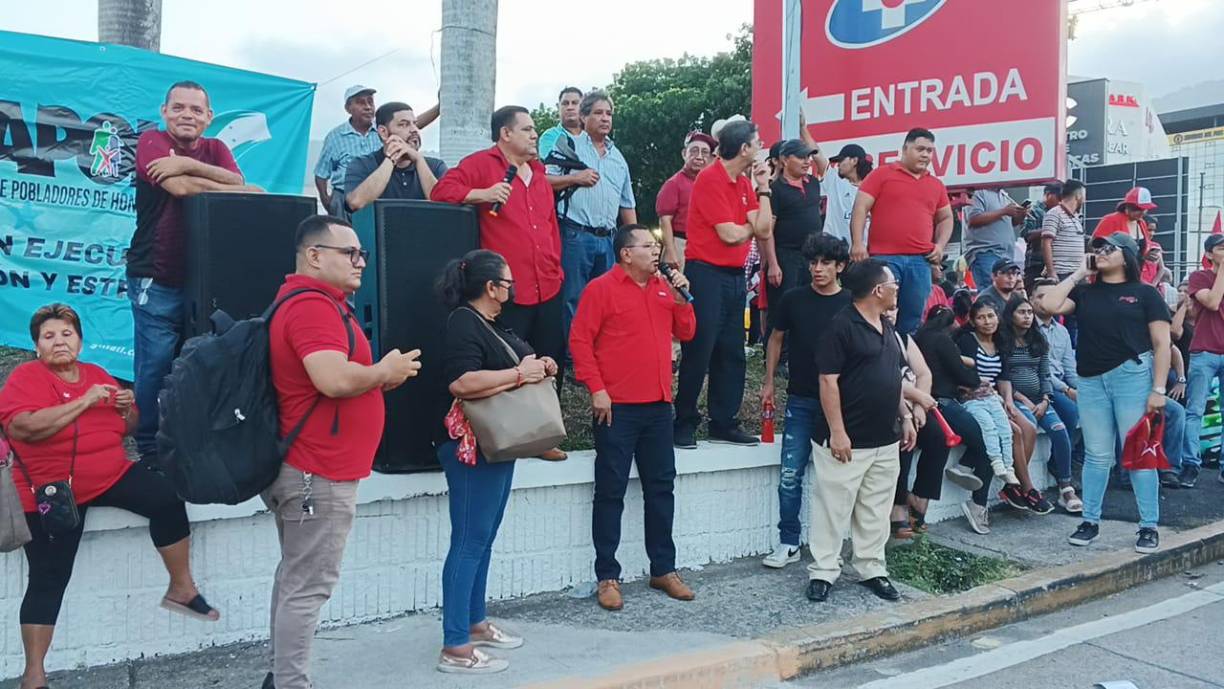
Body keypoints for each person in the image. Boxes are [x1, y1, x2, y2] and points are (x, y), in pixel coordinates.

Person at [0, 304, 219, 689]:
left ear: (80, 341)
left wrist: (125, 408)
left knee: (167, 497)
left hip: (108, 475)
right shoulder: (26, 378)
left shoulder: (97, 374)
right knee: (50, 576)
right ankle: (33, 674)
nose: (59, 342)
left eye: (66, 334)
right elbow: (24, 428)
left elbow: (127, 429)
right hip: (50, 491)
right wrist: (84, 401)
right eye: (49, 337)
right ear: (36, 347)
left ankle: (181, 588)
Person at [262, 216, 421, 689]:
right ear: (314, 256)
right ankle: (290, 683)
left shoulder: (321, 304)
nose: (360, 263)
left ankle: (280, 677)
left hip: (314, 466)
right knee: (308, 587)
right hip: (318, 472)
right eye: (349, 253)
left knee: (296, 579)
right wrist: (383, 370)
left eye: (362, 255)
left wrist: (377, 376)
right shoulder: (312, 307)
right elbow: (331, 378)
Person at [434, 249, 557, 674]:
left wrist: (540, 365)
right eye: (507, 282)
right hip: (471, 448)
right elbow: (462, 381)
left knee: (482, 539)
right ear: (490, 287)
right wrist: (521, 374)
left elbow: (515, 364)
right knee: (469, 542)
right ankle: (455, 646)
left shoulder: (489, 325)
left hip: (497, 446)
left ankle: (475, 622)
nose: (511, 289)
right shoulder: (463, 323)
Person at [127, 80, 257, 465]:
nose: (187, 115)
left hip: (204, 280)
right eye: (179, 108)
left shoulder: (217, 148)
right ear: (164, 111)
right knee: (156, 365)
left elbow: (244, 187)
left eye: (196, 110)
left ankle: (188, 441)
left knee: (200, 362)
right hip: (157, 275)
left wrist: (183, 163)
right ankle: (150, 447)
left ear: (209, 117)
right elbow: (183, 190)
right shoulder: (151, 141)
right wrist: (210, 179)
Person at [570, 225, 697, 611]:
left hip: (658, 406)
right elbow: (579, 341)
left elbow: (687, 332)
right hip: (617, 407)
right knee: (610, 491)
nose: (655, 251)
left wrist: (681, 297)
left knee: (662, 489)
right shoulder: (601, 289)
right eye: (648, 245)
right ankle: (607, 575)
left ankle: (664, 568)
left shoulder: (663, 288)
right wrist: (596, 388)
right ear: (626, 253)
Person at [431, 107, 568, 438]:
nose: (535, 135)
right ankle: (507, 433)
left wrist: (556, 264)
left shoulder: (538, 173)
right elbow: (440, 192)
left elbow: (549, 227)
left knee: (551, 361)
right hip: (506, 289)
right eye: (528, 129)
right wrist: (482, 194)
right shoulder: (481, 165)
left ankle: (545, 432)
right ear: (506, 134)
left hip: (548, 283)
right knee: (507, 364)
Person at [1036, 232, 1171, 554]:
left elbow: (1163, 343)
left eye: (1109, 248)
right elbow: (1048, 304)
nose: (1101, 252)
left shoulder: (1144, 294)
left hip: (1132, 376)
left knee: (1137, 453)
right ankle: (1090, 520)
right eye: (1098, 248)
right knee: (1097, 456)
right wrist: (1079, 273)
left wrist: (1159, 388)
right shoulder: (1085, 292)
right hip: (1090, 380)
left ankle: (1149, 525)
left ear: (1127, 255)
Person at [805, 259, 914, 603]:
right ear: (878, 290)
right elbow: (828, 381)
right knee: (832, 508)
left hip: (884, 438)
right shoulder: (841, 326)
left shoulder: (886, 327)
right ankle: (823, 570)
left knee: (875, 509)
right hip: (846, 439)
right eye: (893, 283)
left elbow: (894, 377)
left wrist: (906, 417)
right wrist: (838, 432)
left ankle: (871, 567)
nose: (898, 288)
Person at [673, 119, 773, 449]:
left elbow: (764, 228)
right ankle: (684, 421)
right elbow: (730, 234)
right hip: (706, 273)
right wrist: (749, 228)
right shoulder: (710, 178)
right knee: (700, 348)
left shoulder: (745, 183)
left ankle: (723, 422)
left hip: (734, 277)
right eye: (757, 142)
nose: (761, 148)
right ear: (744, 148)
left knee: (732, 352)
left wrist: (763, 187)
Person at [759, 233, 851, 568]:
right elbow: (775, 339)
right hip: (800, 399)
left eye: (826, 262)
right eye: (813, 262)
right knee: (789, 474)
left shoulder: (852, 303)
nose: (818, 269)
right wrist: (768, 382)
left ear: (840, 266)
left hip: (842, 405)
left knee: (837, 480)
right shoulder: (794, 299)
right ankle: (789, 541)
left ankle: (833, 545)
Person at [550, 91, 638, 337]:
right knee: (573, 299)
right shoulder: (569, 146)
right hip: (575, 235)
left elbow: (627, 204)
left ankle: (598, 355)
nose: (604, 118)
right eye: (598, 113)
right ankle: (572, 361)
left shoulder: (618, 158)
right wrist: (573, 177)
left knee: (604, 300)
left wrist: (637, 243)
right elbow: (542, 181)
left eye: (608, 113)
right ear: (583, 116)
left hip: (608, 239)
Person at [850, 128, 954, 335]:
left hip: (920, 261)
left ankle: (904, 363)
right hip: (884, 258)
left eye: (930, 151)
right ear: (905, 149)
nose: (926, 155)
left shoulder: (936, 184)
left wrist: (940, 246)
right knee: (878, 313)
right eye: (920, 149)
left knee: (912, 318)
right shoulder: (881, 174)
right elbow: (860, 207)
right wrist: (857, 243)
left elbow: (946, 218)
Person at [913, 307, 994, 535]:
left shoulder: (917, 338)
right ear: (949, 325)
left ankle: (964, 465)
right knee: (987, 443)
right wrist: (976, 378)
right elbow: (960, 373)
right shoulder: (943, 340)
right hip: (944, 404)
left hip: (927, 404)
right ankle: (978, 505)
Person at [1000, 296, 1080, 512]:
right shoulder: (1003, 341)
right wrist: (1022, 398)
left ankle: (1065, 487)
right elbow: (1002, 376)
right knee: (1028, 428)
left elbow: (1045, 374)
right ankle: (1019, 487)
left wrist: (1045, 399)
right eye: (1021, 312)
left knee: (1060, 430)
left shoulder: (1038, 340)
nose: (1026, 317)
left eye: (1029, 312)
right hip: (1016, 399)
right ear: (1011, 315)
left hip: (1040, 399)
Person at [955, 301, 1033, 508]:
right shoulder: (967, 341)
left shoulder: (1001, 341)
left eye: (991, 316)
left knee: (1028, 428)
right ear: (972, 321)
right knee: (1013, 430)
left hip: (995, 397)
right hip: (973, 398)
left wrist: (1008, 400)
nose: (987, 321)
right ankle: (1016, 485)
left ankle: (1015, 478)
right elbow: (962, 373)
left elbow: (1004, 377)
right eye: (981, 317)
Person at [888, 305, 949, 539]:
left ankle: (920, 498)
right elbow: (887, 380)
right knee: (905, 440)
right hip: (887, 405)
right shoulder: (871, 337)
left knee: (938, 438)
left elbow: (924, 374)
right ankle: (898, 506)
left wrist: (918, 408)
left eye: (894, 308)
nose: (890, 313)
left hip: (913, 405)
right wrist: (915, 402)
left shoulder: (903, 338)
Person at [761, 139, 823, 354]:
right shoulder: (775, 189)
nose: (807, 162)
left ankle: (797, 352)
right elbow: (768, 229)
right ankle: (776, 355)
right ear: (785, 160)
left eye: (808, 157)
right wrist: (772, 264)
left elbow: (823, 164)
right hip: (786, 255)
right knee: (782, 307)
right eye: (801, 157)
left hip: (812, 257)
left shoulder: (813, 183)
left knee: (808, 305)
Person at [344, 101, 448, 212]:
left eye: (415, 124)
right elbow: (355, 202)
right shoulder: (362, 164)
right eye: (403, 124)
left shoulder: (436, 166)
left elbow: (446, 206)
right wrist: (391, 158)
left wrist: (419, 160)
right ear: (383, 132)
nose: (414, 130)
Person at [1183, 234, 1224, 488]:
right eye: (1222, 249)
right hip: (1204, 351)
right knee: (1194, 410)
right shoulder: (1200, 277)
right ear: (1209, 254)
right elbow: (1211, 301)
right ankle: (1190, 465)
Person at [1032, 279, 1082, 463]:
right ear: (1031, 300)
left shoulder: (1062, 331)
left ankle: (1080, 456)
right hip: (1042, 384)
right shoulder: (1028, 330)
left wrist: (1082, 388)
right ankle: (1059, 462)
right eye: (1040, 296)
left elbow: (1070, 368)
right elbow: (1040, 370)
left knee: (1101, 404)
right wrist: (1067, 390)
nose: (1046, 301)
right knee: (1070, 410)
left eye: (1051, 296)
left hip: (1062, 383)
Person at [314, 85, 381, 217]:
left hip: (377, 201)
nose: (368, 107)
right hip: (344, 201)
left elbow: (414, 124)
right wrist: (328, 201)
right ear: (348, 108)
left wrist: (435, 109)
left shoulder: (383, 132)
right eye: (361, 102)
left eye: (370, 102)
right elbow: (321, 174)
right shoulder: (336, 136)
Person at [657, 132, 718, 272]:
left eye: (705, 152)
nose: (699, 156)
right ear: (684, 153)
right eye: (694, 151)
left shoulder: (712, 184)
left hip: (705, 248)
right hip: (680, 244)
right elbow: (664, 220)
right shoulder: (674, 183)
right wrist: (671, 252)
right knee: (678, 291)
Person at [965, 189, 1027, 291]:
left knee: (1005, 295)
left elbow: (1011, 223)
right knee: (991, 294)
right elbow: (973, 219)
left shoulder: (1004, 195)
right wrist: (1004, 211)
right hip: (986, 252)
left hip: (1006, 255)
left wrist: (1020, 215)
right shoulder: (978, 193)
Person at [821, 143, 873, 243]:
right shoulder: (834, 180)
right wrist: (803, 129)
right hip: (836, 252)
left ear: (854, 161)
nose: (838, 164)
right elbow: (817, 155)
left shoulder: (874, 186)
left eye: (841, 160)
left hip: (865, 253)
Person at [1039, 179, 1087, 283]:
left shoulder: (1076, 217)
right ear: (1078, 196)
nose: (1084, 200)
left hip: (1077, 274)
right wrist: (1051, 272)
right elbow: (1046, 243)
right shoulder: (1054, 213)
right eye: (1084, 196)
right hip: (1061, 274)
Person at [1022, 182, 1062, 293]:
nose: (1060, 201)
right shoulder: (1035, 211)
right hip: (1036, 264)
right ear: (1049, 195)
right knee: (1034, 297)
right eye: (1059, 197)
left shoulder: (1061, 213)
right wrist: (1050, 229)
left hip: (1055, 264)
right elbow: (1027, 234)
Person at [1092, 186, 1156, 254]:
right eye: (1138, 209)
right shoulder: (1111, 220)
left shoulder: (1141, 223)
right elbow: (1093, 246)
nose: (1142, 212)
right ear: (1128, 206)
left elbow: (1142, 249)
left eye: (1145, 209)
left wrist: (1148, 255)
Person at [537, 86, 583, 160]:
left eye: (574, 103)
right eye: (565, 103)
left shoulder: (593, 135)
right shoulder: (550, 136)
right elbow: (551, 163)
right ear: (558, 107)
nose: (570, 107)